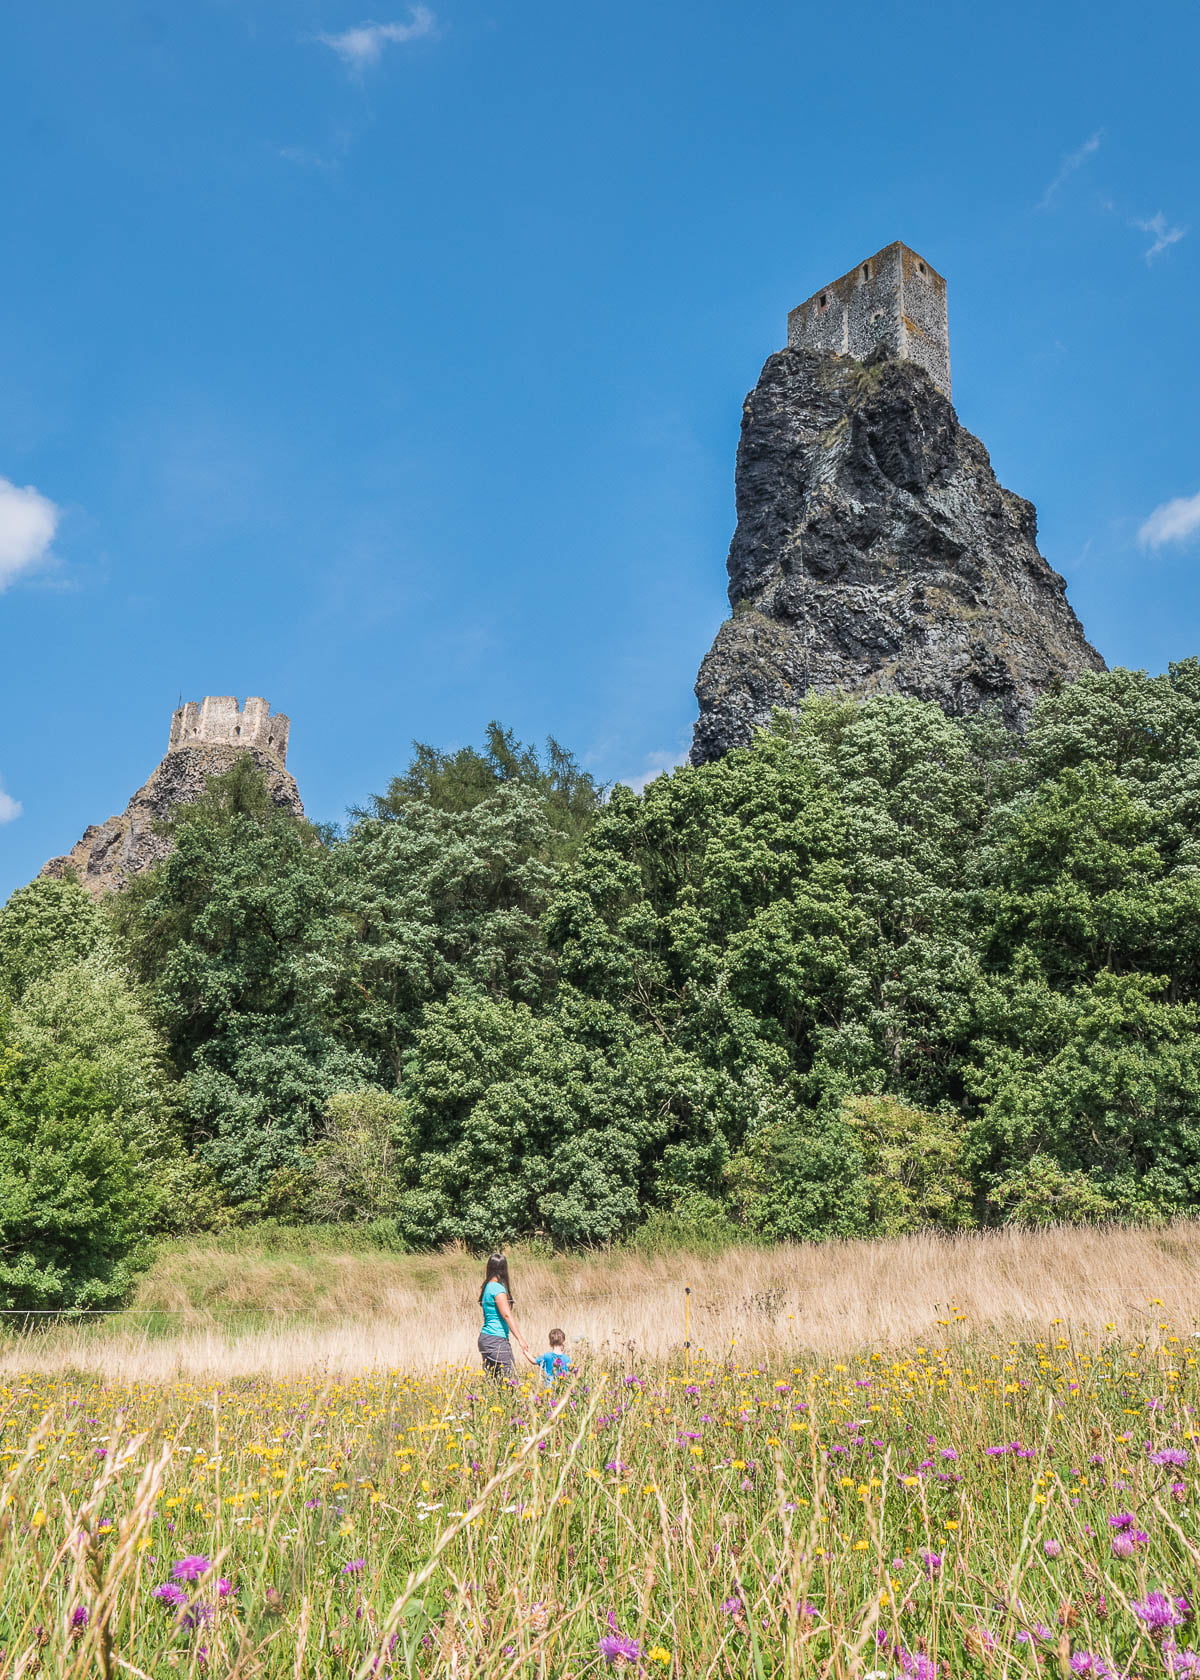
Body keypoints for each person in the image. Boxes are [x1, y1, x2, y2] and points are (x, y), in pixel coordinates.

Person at [477, 1252, 533, 1378]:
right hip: (496, 1338)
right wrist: (520, 1339)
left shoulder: (486, 1287)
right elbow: (506, 1315)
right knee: (510, 1379)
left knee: (494, 1380)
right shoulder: (498, 1289)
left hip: (485, 1338)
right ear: (503, 1269)